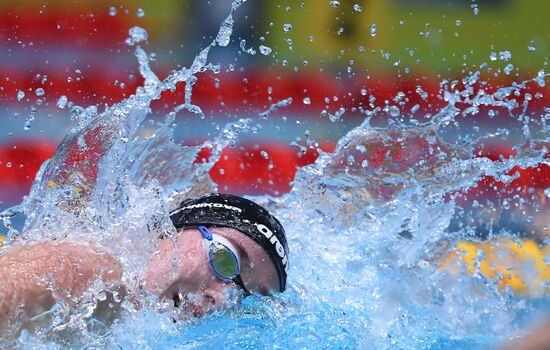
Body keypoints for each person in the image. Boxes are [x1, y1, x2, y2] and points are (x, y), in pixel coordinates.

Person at [0, 193, 289, 336]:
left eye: (244, 295)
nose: (221, 296)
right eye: (226, 260)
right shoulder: (84, 271)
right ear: (171, 231)